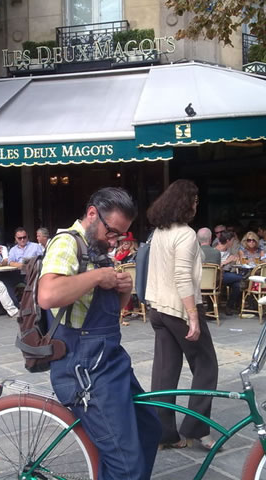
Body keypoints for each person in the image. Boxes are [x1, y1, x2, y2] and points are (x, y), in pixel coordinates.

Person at [38, 187, 161, 479]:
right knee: (124, 461)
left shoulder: (97, 249)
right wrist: (97, 276)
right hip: (83, 365)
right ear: (93, 214)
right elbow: (47, 294)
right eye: (112, 232)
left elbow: (109, 315)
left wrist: (124, 290)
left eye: (120, 235)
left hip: (110, 358)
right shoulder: (67, 243)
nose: (114, 240)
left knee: (149, 428)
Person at [145, 180, 219, 451]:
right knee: (207, 366)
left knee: (164, 372)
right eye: (195, 200)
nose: (196, 205)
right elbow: (182, 277)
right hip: (179, 309)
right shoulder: (186, 234)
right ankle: (196, 428)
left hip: (157, 309)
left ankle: (164, 434)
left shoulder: (160, 231)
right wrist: (194, 316)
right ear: (185, 203)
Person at [216, 231, 243, 315]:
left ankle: (230, 306)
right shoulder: (216, 251)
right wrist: (227, 261)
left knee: (237, 285)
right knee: (242, 278)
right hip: (218, 276)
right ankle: (232, 306)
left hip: (225, 274)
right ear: (228, 241)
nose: (233, 242)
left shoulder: (227, 251)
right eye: (232, 241)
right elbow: (215, 267)